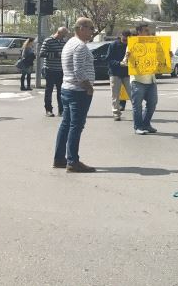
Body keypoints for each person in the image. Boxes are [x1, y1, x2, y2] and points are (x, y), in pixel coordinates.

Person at [53, 18, 97, 173]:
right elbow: (79, 71)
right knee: (76, 126)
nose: (93, 31)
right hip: (78, 91)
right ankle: (73, 161)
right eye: (91, 28)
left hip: (67, 88)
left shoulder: (70, 43)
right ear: (81, 28)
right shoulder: (79, 46)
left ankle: (59, 159)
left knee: (66, 124)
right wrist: (88, 87)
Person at [122, 24, 160, 135]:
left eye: (149, 31)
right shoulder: (133, 44)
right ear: (139, 32)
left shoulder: (153, 44)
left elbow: (159, 60)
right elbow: (124, 61)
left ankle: (146, 124)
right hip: (137, 80)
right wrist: (127, 57)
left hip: (151, 80)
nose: (148, 33)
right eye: (146, 30)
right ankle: (138, 127)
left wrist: (167, 56)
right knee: (137, 105)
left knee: (152, 103)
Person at [40, 27, 69, 117]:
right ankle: (48, 110)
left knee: (61, 91)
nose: (64, 37)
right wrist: (56, 54)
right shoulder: (48, 41)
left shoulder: (64, 42)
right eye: (63, 35)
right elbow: (42, 54)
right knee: (49, 90)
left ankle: (61, 110)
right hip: (50, 69)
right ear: (59, 33)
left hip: (61, 70)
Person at [107, 30, 131, 121]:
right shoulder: (113, 45)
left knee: (133, 94)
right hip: (115, 73)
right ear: (120, 36)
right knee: (115, 95)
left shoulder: (131, 45)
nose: (125, 41)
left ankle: (137, 112)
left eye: (127, 40)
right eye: (124, 39)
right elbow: (108, 60)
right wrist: (119, 63)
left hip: (127, 73)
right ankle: (116, 114)